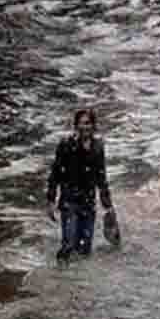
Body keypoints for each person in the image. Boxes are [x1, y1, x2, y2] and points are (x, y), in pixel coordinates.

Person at [46, 108, 114, 264]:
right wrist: (50, 200)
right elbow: (55, 174)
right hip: (69, 202)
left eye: (88, 123)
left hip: (88, 203)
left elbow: (101, 178)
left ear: (93, 126)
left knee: (85, 249)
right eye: (82, 123)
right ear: (76, 126)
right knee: (68, 245)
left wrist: (108, 206)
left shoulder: (98, 147)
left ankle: (79, 282)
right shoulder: (66, 145)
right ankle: (60, 275)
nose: (85, 127)